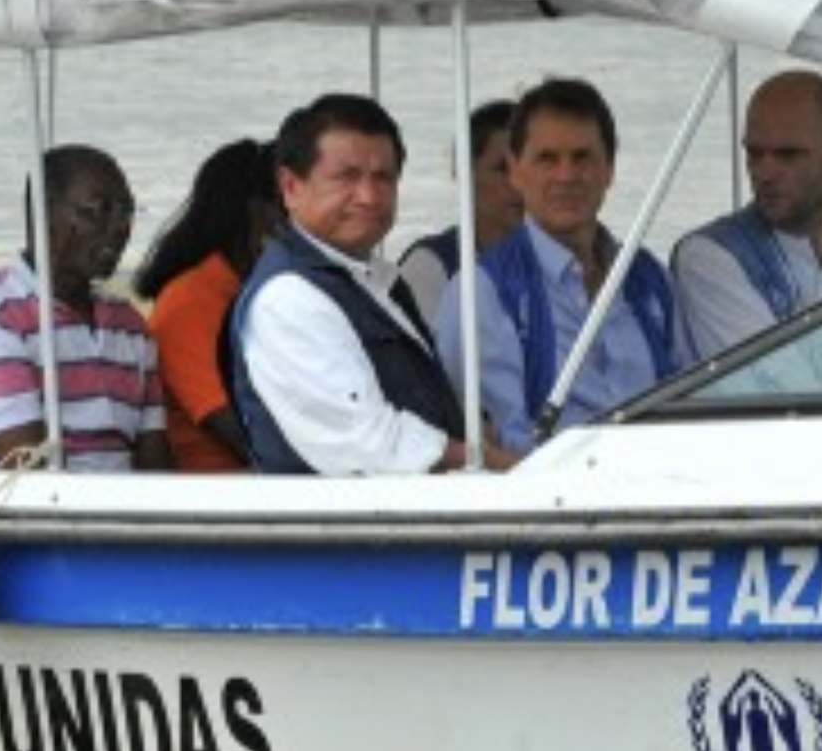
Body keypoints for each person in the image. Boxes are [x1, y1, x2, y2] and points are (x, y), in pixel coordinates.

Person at [231, 93, 512, 474]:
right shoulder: (288, 298)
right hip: (350, 513)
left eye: (384, 178)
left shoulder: (377, 281)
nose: (368, 197)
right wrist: (503, 467)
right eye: (347, 177)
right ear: (291, 187)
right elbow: (369, 444)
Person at [436, 77, 681, 453]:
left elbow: (687, 398)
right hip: (556, 488)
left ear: (609, 169)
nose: (566, 176)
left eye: (582, 158)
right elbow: (502, 443)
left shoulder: (648, 278)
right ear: (516, 170)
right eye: (547, 159)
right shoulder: (481, 292)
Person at [0, 144, 170, 472]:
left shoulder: (128, 326)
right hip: (30, 504)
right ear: (44, 217)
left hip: (113, 504)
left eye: (126, 211)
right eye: (98, 210)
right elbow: (26, 477)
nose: (120, 227)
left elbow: (156, 469)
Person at [672, 71, 822, 358]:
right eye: (754, 154)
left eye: (788, 155)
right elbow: (771, 380)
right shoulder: (710, 257)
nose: (764, 173)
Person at [133, 138, 279, 471]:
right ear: (255, 210)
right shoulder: (191, 301)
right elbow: (240, 435)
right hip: (219, 488)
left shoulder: (252, 291)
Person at [396, 100, 522, 322]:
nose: (519, 182)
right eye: (502, 169)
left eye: (531, 167)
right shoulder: (431, 266)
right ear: (464, 172)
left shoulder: (567, 262)